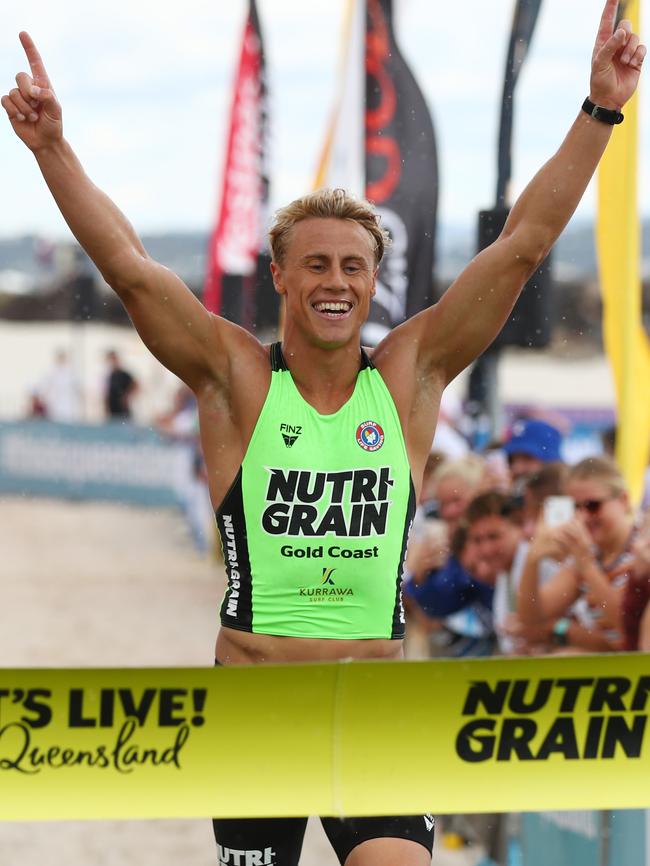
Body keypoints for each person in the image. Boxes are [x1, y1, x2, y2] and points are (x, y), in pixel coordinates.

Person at [2, 6, 644, 864]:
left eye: (352, 266)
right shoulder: (236, 380)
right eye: (315, 264)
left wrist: (600, 110)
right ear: (280, 275)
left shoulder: (411, 377)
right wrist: (52, 150)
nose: (335, 281)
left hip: (370, 708)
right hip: (255, 710)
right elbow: (129, 266)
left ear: (374, 280)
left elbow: (521, 246)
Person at [517, 456, 637, 653]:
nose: (583, 516)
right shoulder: (589, 555)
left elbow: (629, 626)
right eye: (575, 507)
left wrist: (586, 565)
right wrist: (532, 560)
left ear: (623, 500)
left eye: (592, 505)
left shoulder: (642, 548)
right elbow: (531, 619)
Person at [104, 348, 138, 419]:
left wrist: (127, 396)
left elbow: (135, 384)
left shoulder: (123, 374)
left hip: (122, 410)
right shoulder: (111, 375)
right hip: (113, 410)